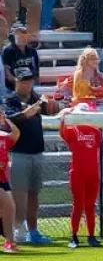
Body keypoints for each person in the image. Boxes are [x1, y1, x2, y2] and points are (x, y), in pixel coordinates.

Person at [5, 68, 58, 244]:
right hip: (20, 153)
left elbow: (51, 111)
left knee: (34, 193)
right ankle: (18, 229)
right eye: (23, 81)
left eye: (29, 81)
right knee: (20, 194)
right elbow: (9, 119)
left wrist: (53, 105)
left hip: (37, 152)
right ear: (17, 82)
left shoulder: (35, 97)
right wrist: (27, 113)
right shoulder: (10, 99)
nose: (27, 84)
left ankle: (33, 230)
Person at [58, 103, 103, 249]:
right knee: (78, 205)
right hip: (77, 171)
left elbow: (96, 143)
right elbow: (62, 132)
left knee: (90, 205)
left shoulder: (96, 131)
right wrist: (65, 115)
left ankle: (91, 236)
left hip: (93, 172)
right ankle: (74, 236)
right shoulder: (73, 130)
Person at [0, 109, 20, 254]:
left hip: (2, 178)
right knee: (10, 206)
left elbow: (16, 134)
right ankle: (9, 241)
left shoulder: (3, 137)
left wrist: (6, 120)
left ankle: (9, 241)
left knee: (7, 209)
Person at [2, 23, 39, 92]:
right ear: (13, 36)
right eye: (18, 33)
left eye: (24, 33)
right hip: (13, 88)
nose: (22, 36)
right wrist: (21, 85)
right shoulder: (7, 51)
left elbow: (36, 72)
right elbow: (7, 75)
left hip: (30, 86)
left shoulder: (32, 51)